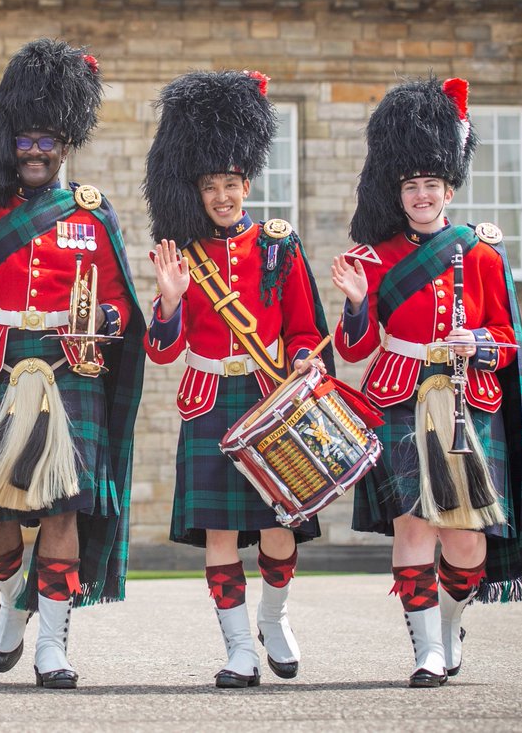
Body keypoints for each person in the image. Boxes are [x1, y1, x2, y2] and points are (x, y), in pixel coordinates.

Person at [0, 38, 144, 689]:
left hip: (71, 371)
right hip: (4, 367)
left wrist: (103, 322)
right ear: (8, 143)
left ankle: (55, 647)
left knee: (63, 511)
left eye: (47, 140)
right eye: (24, 140)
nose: (35, 151)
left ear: (64, 144)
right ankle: (14, 599)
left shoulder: (93, 215)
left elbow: (123, 306)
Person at [330, 77, 522, 687]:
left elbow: (508, 343)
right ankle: (426, 650)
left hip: (466, 399)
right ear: (399, 192)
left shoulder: (481, 254)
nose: (422, 194)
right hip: (398, 395)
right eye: (412, 186)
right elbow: (354, 348)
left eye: (432, 185)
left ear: (448, 189)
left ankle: (451, 622)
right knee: (413, 525)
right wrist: (355, 304)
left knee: (465, 542)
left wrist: (477, 342)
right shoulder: (375, 257)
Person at [141, 70, 333, 688]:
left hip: (269, 395)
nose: (221, 195)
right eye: (209, 186)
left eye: (230, 183)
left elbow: (306, 328)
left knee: (278, 528)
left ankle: (273, 621)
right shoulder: (181, 254)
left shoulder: (279, 246)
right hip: (208, 401)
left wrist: (306, 359)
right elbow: (161, 351)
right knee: (221, 531)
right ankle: (237, 651)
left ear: (246, 183)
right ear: (195, 191)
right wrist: (169, 303)